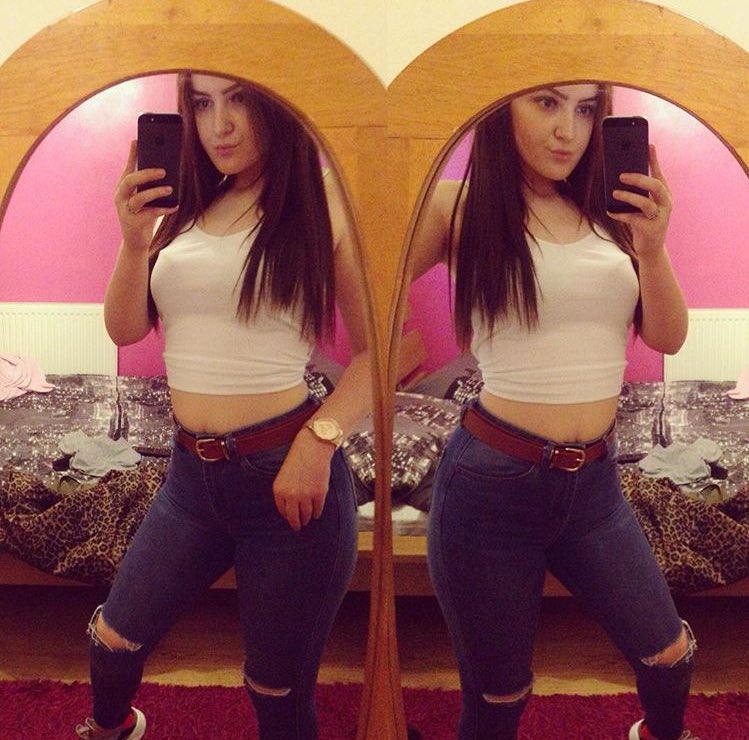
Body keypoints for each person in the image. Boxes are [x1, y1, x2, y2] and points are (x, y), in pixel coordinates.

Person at [75, 72, 370, 739]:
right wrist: (134, 239)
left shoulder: (323, 203)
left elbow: (378, 354)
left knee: (276, 688)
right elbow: (124, 329)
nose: (219, 125)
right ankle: (112, 727)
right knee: (113, 641)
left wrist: (318, 441)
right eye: (202, 104)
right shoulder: (185, 209)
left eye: (238, 99)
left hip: (287, 481)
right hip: (191, 480)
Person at [410, 84, 697, 740]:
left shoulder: (609, 214)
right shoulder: (460, 207)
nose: (568, 129)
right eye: (545, 103)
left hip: (593, 488)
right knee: (498, 696)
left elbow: (668, 336)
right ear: (501, 105)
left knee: (668, 653)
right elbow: (362, 270)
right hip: (489, 489)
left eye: (584, 108)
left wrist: (651, 248)